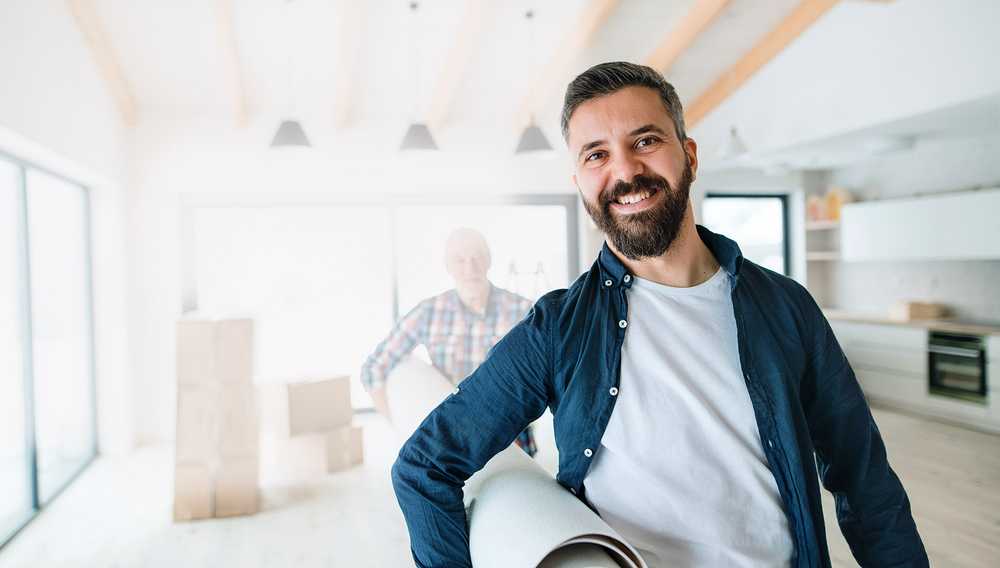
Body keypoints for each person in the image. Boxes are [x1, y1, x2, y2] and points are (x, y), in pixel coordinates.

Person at [391, 62, 928, 567]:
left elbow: (866, 482)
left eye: (645, 141)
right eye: (595, 154)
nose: (625, 171)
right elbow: (424, 468)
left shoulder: (788, 307)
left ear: (689, 155)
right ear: (578, 180)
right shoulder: (557, 330)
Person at [360, 227, 536, 456]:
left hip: (512, 441)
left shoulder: (524, 310)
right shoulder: (429, 312)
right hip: (453, 443)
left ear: (489, 260)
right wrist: (401, 426)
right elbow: (373, 370)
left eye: (476, 257)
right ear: (448, 266)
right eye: (459, 260)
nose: (469, 268)